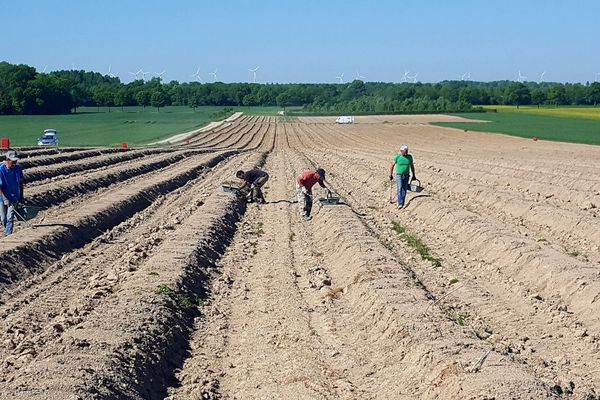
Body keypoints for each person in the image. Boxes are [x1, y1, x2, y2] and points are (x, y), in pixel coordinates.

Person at [0, 150, 25, 236]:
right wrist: (4, 198)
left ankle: (8, 234)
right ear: (7, 159)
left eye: (15, 161)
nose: (14, 163)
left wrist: (21, 196)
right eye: (12, 161)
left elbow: (21, 183)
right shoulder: (1, 170)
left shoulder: (18, 169)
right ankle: (7, 230)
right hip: (2, 197)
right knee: (3, 218)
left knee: (10, 217)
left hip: (14, 196)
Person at [389, 145, 416, 209]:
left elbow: (412, 166)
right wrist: (391, 174)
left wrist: (414, 175)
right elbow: (392, 165)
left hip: (406, 175)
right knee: (400, 188)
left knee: (404, 189)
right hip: (399, 175)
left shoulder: (409, 157)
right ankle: (400, 203)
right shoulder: (397, 157)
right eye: (404, 151)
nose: (406, 152)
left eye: (406, 151)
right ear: (401, 151)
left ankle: (402, 202)